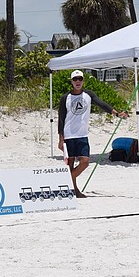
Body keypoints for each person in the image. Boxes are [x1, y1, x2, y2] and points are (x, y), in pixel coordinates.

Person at [57, 70, 123, 198]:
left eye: (80, 79)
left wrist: (116, 113)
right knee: (69, 164)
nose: (77, 81)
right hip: (69, 134)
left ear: (83, 81)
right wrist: (61, 139)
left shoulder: (88, 94)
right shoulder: (65, 97)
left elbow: (102, 104)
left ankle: (68, 180)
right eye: (75, 79)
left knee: (85, 161)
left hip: (82, 135)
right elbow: (61, 118)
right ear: (71, 81)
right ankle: (74, 190)